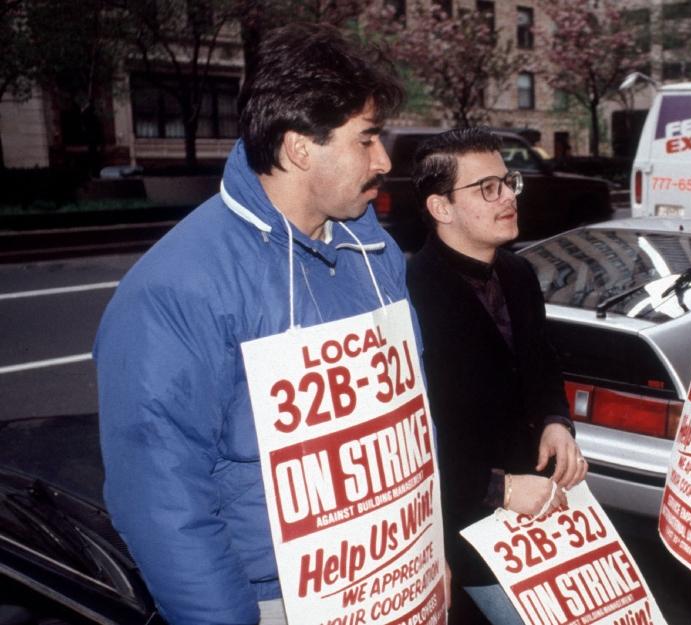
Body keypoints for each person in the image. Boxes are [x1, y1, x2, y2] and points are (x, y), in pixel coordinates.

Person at [94, 23, 408, 625]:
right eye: (366, 139)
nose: (384, 159)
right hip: (274, 597)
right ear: (298, 148)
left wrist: (424, 547)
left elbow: (405, 421)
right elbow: (161, 497)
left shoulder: (377, 256)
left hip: (389, 577)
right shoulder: (175, 289)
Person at [406, 128, 587, 625]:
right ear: (441, 207)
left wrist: (556, 420)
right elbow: (410, 440)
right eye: (487, 188)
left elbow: (542, 362)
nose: (508, 196)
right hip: (462, 528)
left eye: (508, 182)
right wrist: (499, 488)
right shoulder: (408, 296)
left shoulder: (519, 273)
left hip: (539, 514)